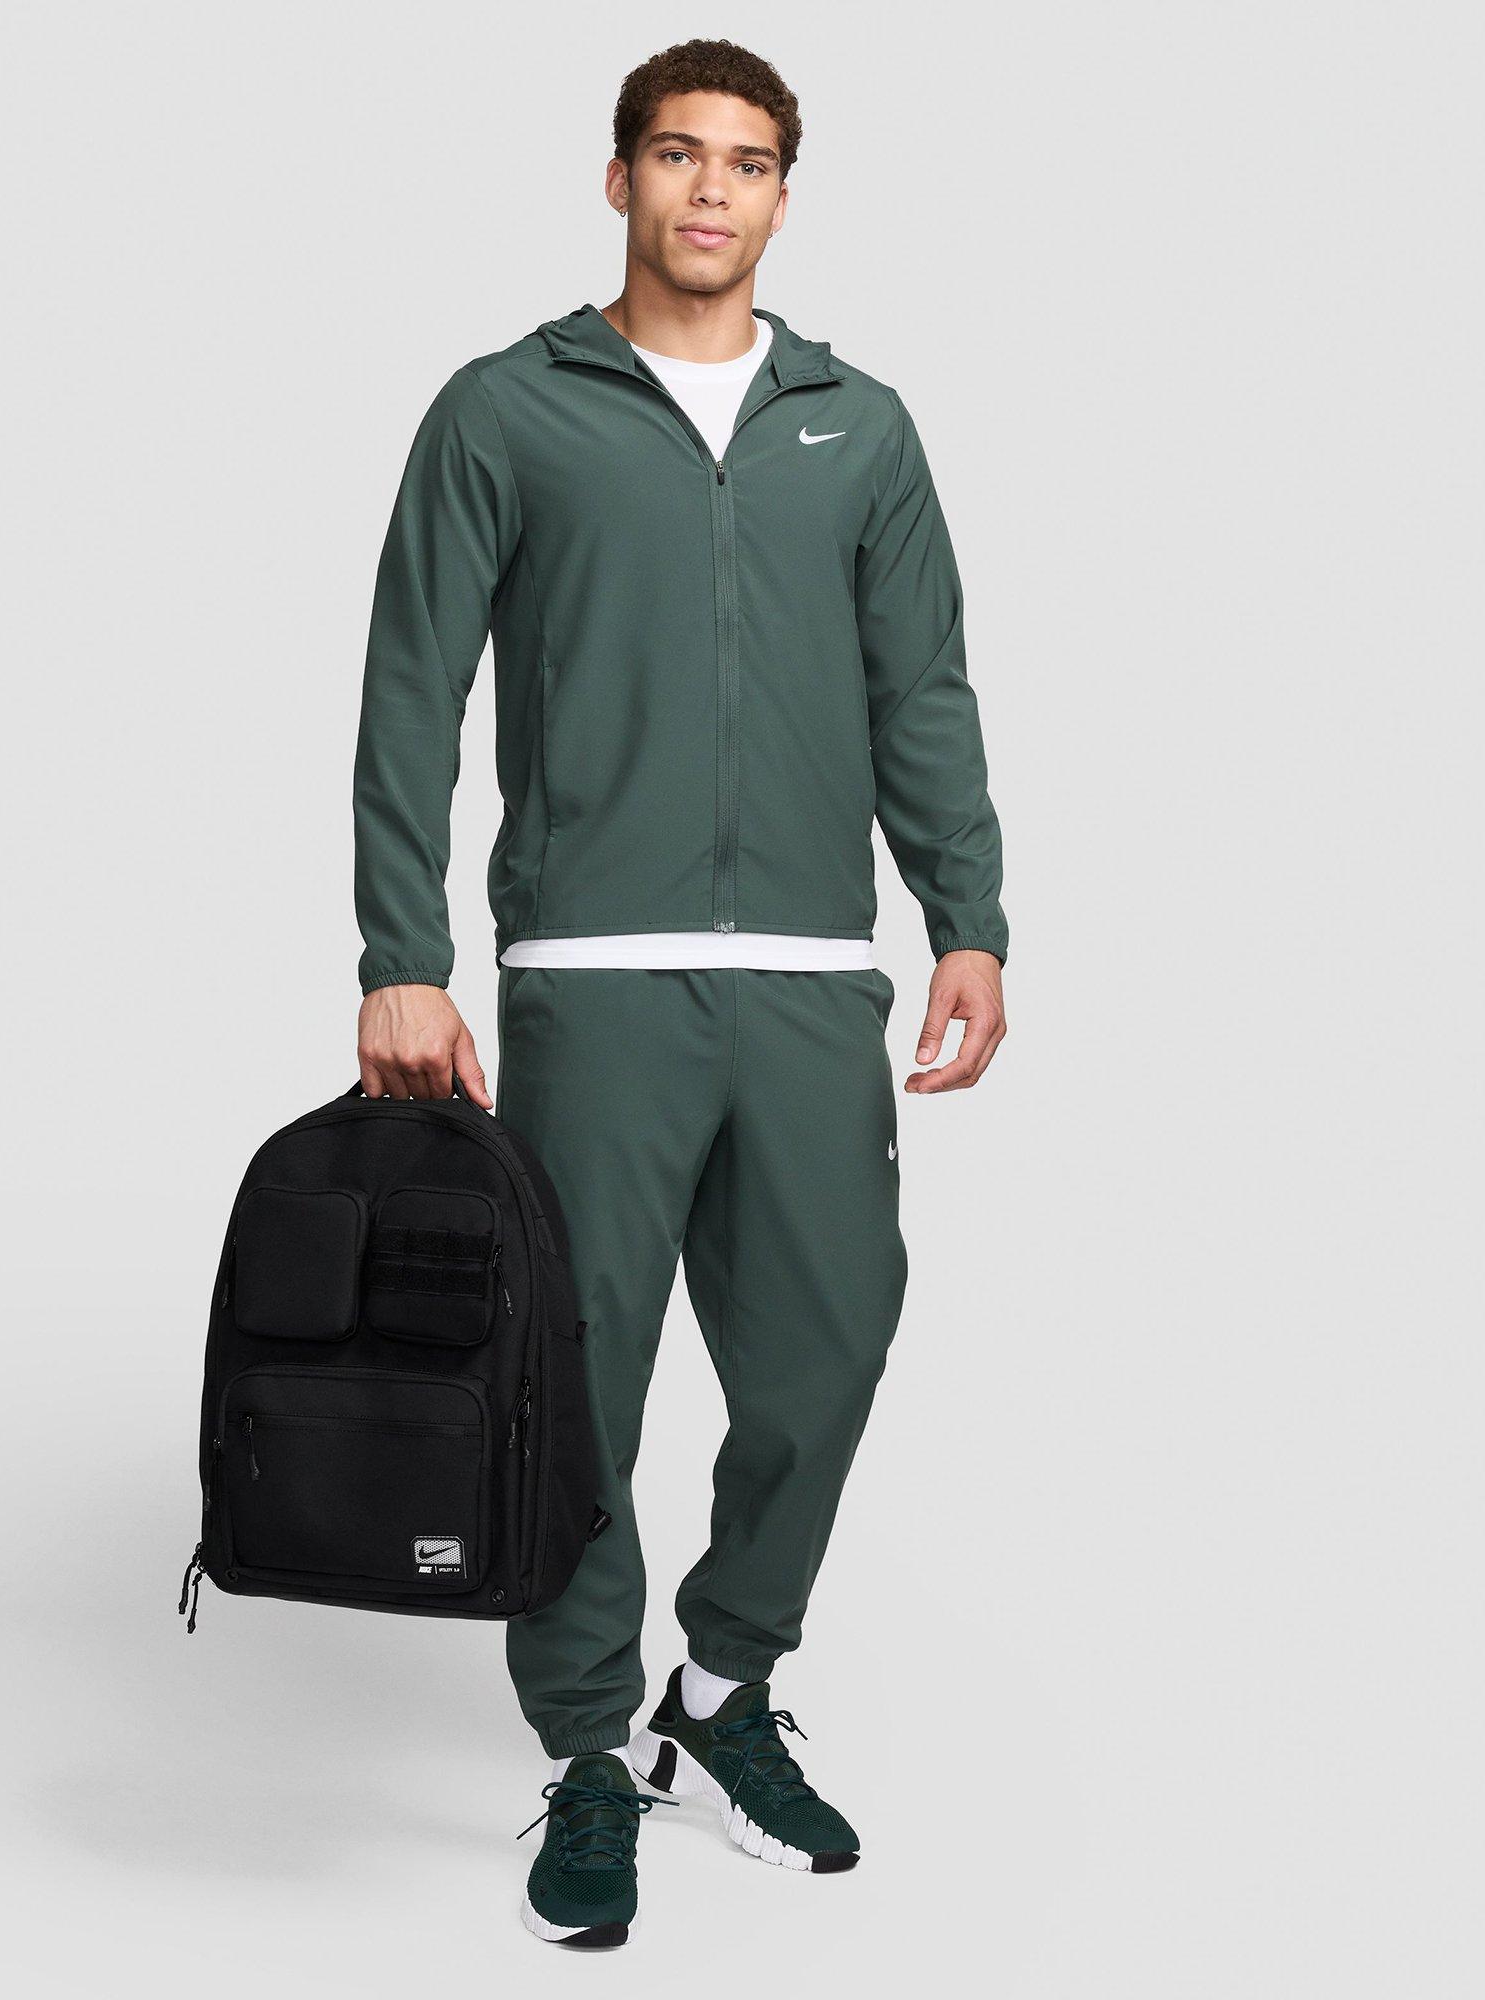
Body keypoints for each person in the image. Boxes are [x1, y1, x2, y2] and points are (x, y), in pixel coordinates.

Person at [352, 36, 1007, 1948]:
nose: (710, 188)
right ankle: (585, 1751)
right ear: (620, 178)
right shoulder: (507, 408)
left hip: (809, 976)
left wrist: (968, 915)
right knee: (577, 1377)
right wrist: (403, 957)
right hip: (593, 979)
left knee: (829, 1345)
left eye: (747, 161)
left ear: (784, 194)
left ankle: (717, 1693)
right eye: (676, 153)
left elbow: (922, 687)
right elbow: (412, 683)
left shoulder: (859, 427)